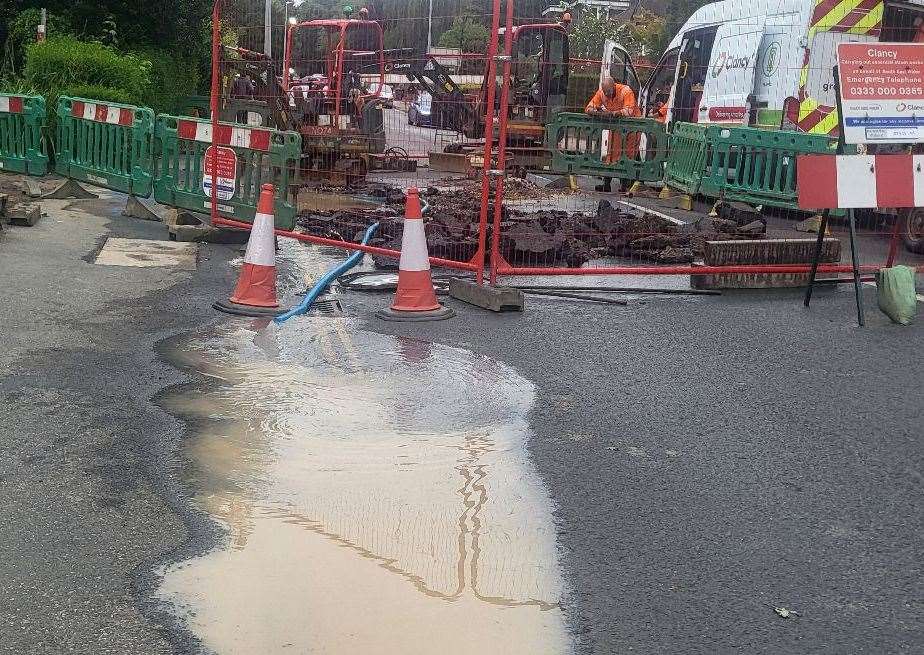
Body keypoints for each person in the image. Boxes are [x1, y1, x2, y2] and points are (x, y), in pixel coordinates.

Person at [585, 76, 640, 191]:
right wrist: (597, 112)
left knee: (628, 154)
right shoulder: (602, 93)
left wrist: (613, 113)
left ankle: (625, 185)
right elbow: (589, 108)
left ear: (614, 86)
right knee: (611, 155)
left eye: (609, 92)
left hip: (632, 128)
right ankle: (607, 185)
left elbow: (628, 111)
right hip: (616, 127)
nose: (607, 95)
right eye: (605, 93)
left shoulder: (626, 91)